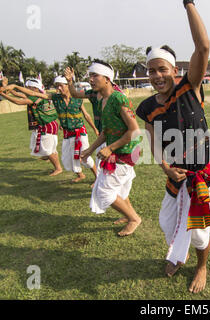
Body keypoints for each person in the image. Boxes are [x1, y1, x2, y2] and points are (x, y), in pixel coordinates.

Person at [136, 0, 210, 294]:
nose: (157, 76)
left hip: (201, 174)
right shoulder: (146, 108)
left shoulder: (189, 87)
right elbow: (153, 142)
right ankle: (179, 253)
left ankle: (201, 265)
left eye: (162, 69)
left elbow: (204, 46)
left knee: (198, 230)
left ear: (174, 69)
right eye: (151, 71)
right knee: (165, 221)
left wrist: (188, 4)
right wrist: (165, 168)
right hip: (175, 175)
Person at [65, 60, 142, 237]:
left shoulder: (118, 98)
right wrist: (90, 150)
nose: (91, 79)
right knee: (120, 188)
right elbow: (106, 131)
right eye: (90, 76)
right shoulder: (102, 100)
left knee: (104, 192)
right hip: (117, 150)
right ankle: (127, 215)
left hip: (126, 151)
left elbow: (135, 131)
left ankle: (133, 218)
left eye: (95, 75)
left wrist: (110, 148)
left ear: (107, 79)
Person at [2, 76, 99, 184]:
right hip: (67, 134)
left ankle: (97, 177)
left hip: (80, 132)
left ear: (68, 86)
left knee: (84, 157)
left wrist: (95, 129)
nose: (58, 89)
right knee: (67, 159)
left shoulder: (77, 98)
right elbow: (34, 94)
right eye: (57, 86)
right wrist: (13, 86)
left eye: (61, 86)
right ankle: (80, 175)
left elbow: (86, 115)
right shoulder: (56, 98)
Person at [0, 78, 62, 176]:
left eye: (29, 87)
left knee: (48, 150)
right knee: (46, 148)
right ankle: (48, 158)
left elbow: (18, 101)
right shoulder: (41, 94)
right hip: (47, 124)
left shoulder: (35, 97)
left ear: (35, 88)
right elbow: (17, 94)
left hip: (46, 125)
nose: (26, 89)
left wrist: (2, 94)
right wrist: (6, 87)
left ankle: (58, 168)